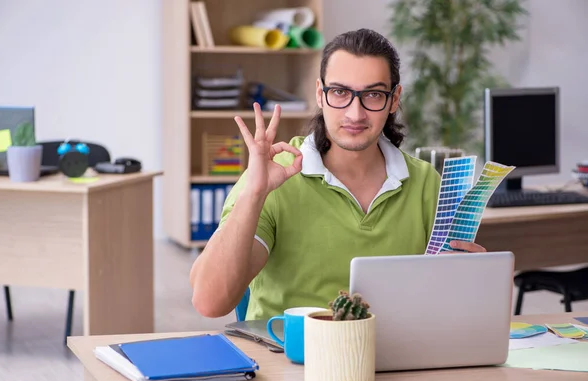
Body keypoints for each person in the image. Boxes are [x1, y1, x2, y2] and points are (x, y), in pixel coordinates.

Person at [190, 28, 486, 321]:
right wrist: (254, 193)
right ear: (320, 94)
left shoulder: (425, 183)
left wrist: (470, 278)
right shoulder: (274, 176)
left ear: (394, 99)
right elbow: (210, 302)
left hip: (394, 358)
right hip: (290, 359)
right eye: (340, 92)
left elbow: (449, 306)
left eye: (372, 94)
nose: (355, 114)